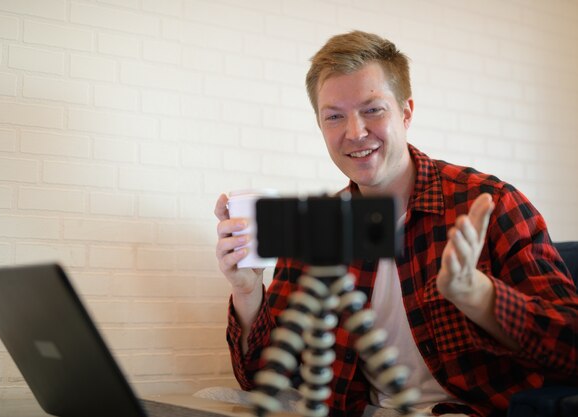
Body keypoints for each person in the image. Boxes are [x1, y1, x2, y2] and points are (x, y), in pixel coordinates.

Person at [213, 31, 578, 417]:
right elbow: (263, 379)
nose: (354, 132)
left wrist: (479, 296)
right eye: (334, 116)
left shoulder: (489, 204)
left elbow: (570, 351)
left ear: (405, 113)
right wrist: (248, 292)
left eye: (373, 110)